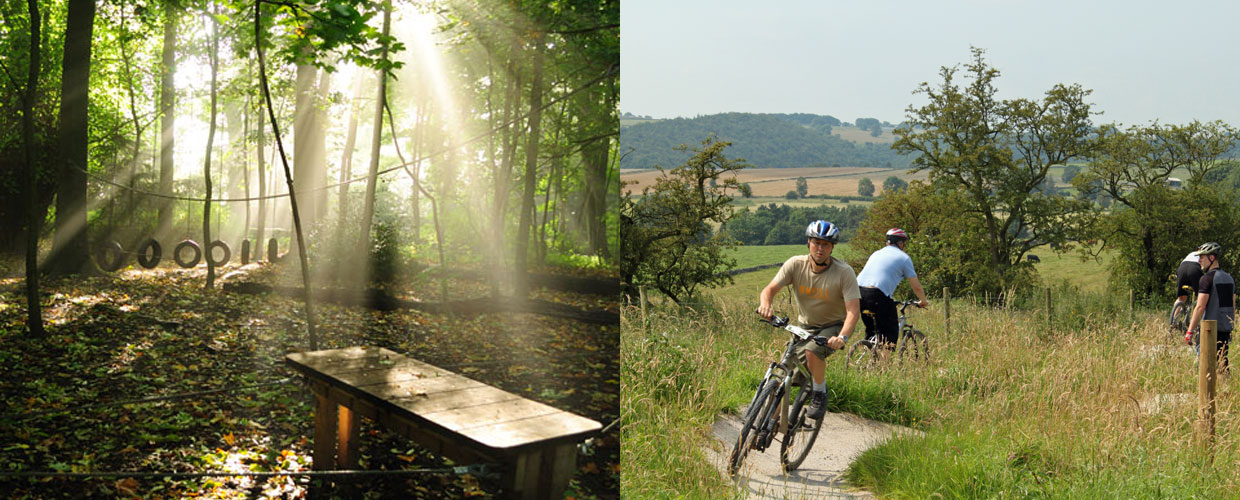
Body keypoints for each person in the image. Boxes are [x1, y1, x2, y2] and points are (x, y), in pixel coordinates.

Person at [757, 220, 860, 420]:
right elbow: (769, 290)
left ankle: (819, 392)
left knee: (813, 351)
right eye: (816, 243)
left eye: (826, 245)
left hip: (832, 327)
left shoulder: (844, 272)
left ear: (832, 248)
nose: (820, 248)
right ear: (809, 243)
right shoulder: (796, 264)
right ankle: (767, 424)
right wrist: (765, 305)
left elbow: (853, 311)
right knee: (785, 375)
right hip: (804, 327)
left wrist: (842, 337)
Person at [855, 228, 929, 349]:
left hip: (858, 293)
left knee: (873, 331)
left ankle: (870, 357)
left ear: (887, 243)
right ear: (900, 243)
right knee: (890, 333)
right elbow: (916, 287)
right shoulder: (904, 258)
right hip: (876, 293)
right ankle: (884, 366)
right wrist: (923, 301)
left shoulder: (876, 253)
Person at [1185, 242, 1235, 372]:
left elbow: (1200, 307)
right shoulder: (1229, 278)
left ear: (1211, 258)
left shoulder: (1207, 279)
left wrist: (1190, 331)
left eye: (1202, 257)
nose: (1199, 260)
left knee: (1205, 367)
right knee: (1222, 363)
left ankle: (1207, 392)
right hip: (1225, 328)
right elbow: (1232, 304)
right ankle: (1226, 391)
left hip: (1209, 330)